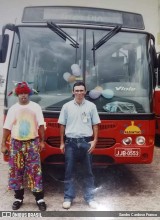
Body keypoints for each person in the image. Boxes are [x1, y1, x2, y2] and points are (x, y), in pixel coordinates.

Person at [1, 82, 47, 211]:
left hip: (32, 143)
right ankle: (18, 198)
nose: (23, 96)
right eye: (20, 93)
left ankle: (39, 199)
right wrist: (3, 144)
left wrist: (42, 141)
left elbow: (41, 125)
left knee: (35, 171)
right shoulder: (13, 109)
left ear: (29, 94)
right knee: (16, 171)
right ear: (17, 94)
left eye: (25, 93)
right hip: (16, 144)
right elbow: (7, 127)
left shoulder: (36, 107)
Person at [58, 81, 101, 209]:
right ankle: (68, 197)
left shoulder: (91, 106)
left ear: (85, 91)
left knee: (88, 172)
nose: (79, 93)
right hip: (70, 143)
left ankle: (90, 198)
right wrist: (61, 143)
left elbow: (95, 124)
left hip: (86, 142)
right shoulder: (66, 106)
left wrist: (95, 140)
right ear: (73, 92)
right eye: (76, 90)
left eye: (81, 90)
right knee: (69, 171)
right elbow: (62, 125)